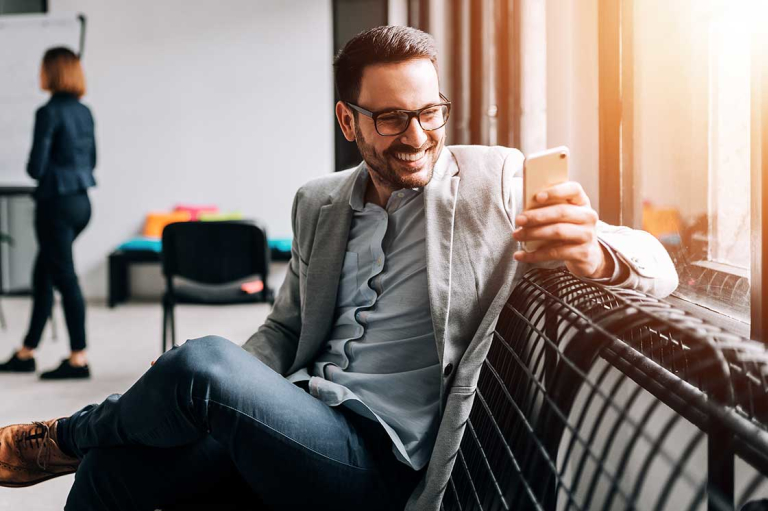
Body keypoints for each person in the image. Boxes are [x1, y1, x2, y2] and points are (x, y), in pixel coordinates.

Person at [0, 27, 677, 510]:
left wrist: (592, 251)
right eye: (389, 118)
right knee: (117, 467)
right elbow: (285, 328)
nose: (416, 137)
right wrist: (224, 392)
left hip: (374, 463)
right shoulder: (320, 202)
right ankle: (91, 442)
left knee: (199, 363)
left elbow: (660, 265)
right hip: (297, 418)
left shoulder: (492, 180)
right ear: (347, 121)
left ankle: (61, 437)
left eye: (429, 113)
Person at [0, 47, 96, 380]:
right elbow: (92, 161)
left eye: (42, 69)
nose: (39, 75)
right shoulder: (84, 112)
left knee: (65, 279)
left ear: (52, 73)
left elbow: (35, 167)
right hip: (81, 202)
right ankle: (27, 351)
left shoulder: (48, 112)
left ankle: (78, 359)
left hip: (55, 204)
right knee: (44, 275)